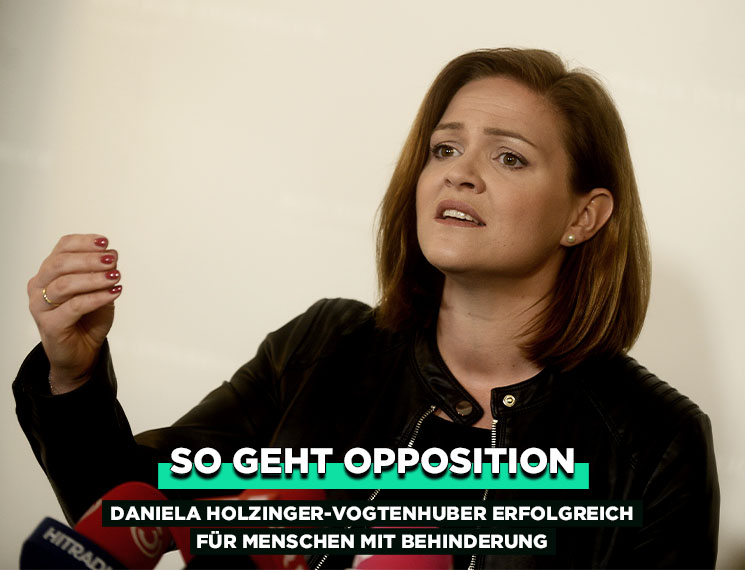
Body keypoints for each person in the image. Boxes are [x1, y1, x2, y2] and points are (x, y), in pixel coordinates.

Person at [14, 48, 719, 569]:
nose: (459, 172)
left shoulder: (655, 441)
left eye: (508, 158)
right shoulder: (323, 345)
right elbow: (128, 516)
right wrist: (72, 375)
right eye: (444, 147)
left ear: (582, 216)